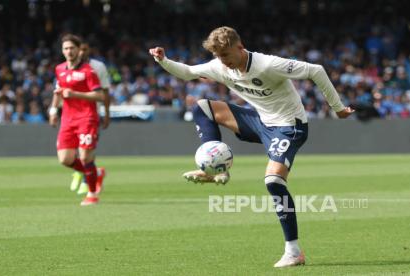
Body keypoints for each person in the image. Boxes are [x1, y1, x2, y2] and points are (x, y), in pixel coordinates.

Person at [149, 26, 354, 267]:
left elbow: (315, 70)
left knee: (273, 181)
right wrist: (163, 60)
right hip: (259, 122)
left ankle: (294, 251)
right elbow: (187, 72)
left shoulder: (268, 64)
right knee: (202, 107)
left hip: (289, 126)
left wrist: (337, 107)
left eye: (225, 55)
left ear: (240, 47)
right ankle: (216, 168)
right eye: (217, 56)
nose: (222, 62)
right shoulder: (219, 65)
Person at [49, 34, 110, 206]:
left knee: (85, 157)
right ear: (62, 51)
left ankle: (92, 194)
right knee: (65, 159)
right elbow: (59, 89)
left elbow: (99, 95)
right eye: (65, 48)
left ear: (78, 50)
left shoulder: (88, 71)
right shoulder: (59, 69)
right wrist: (53, 109)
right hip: (67, 119)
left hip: (86, 118)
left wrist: (75, 94)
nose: (69, 51)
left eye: (72, 48)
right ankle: (95, 173)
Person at [70, 42, 111, 195]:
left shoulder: (98, 66)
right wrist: (54, 109)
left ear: (89, 51)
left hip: (91, 113)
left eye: (84, 49)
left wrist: (107, 114)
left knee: (86, 150)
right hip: (70, 113)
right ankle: (85, 172)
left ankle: (87, 179)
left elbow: (105, 92)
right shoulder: (66, 66)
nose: (81, 52)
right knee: (69, 153)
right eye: (78, 49)